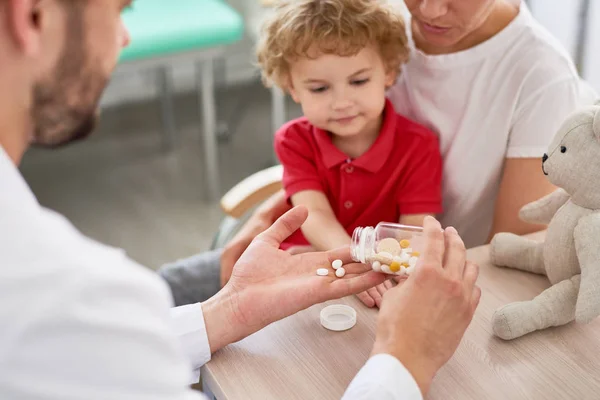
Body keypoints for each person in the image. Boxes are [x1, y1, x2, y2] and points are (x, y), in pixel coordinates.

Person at [0, 1, 481, 400]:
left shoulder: (51, 287)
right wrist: (405, 359)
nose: (125, 37)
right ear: (32, 16)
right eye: (118, 9)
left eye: (358, 80)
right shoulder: (57, 292)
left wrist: (229, 310)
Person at [216, 0, 597, 289]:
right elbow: (312, 172)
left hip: (402, 275)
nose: (429, 10)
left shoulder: (541, 76)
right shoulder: (374, 19)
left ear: (387, 71)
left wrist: (365, 266)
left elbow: (505, 248)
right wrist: (266, 221)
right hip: (312, 250)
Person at [254, 0, 443, 308]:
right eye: (319, 89)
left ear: (389, 73)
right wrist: (348, 261)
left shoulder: (418, 146)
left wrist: (362, 268)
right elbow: (313, 213)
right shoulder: (293, 140)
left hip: (377, 278)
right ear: (293, 88)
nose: (341, 102)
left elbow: (416, 232)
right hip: (307, 265)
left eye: (358, 81)